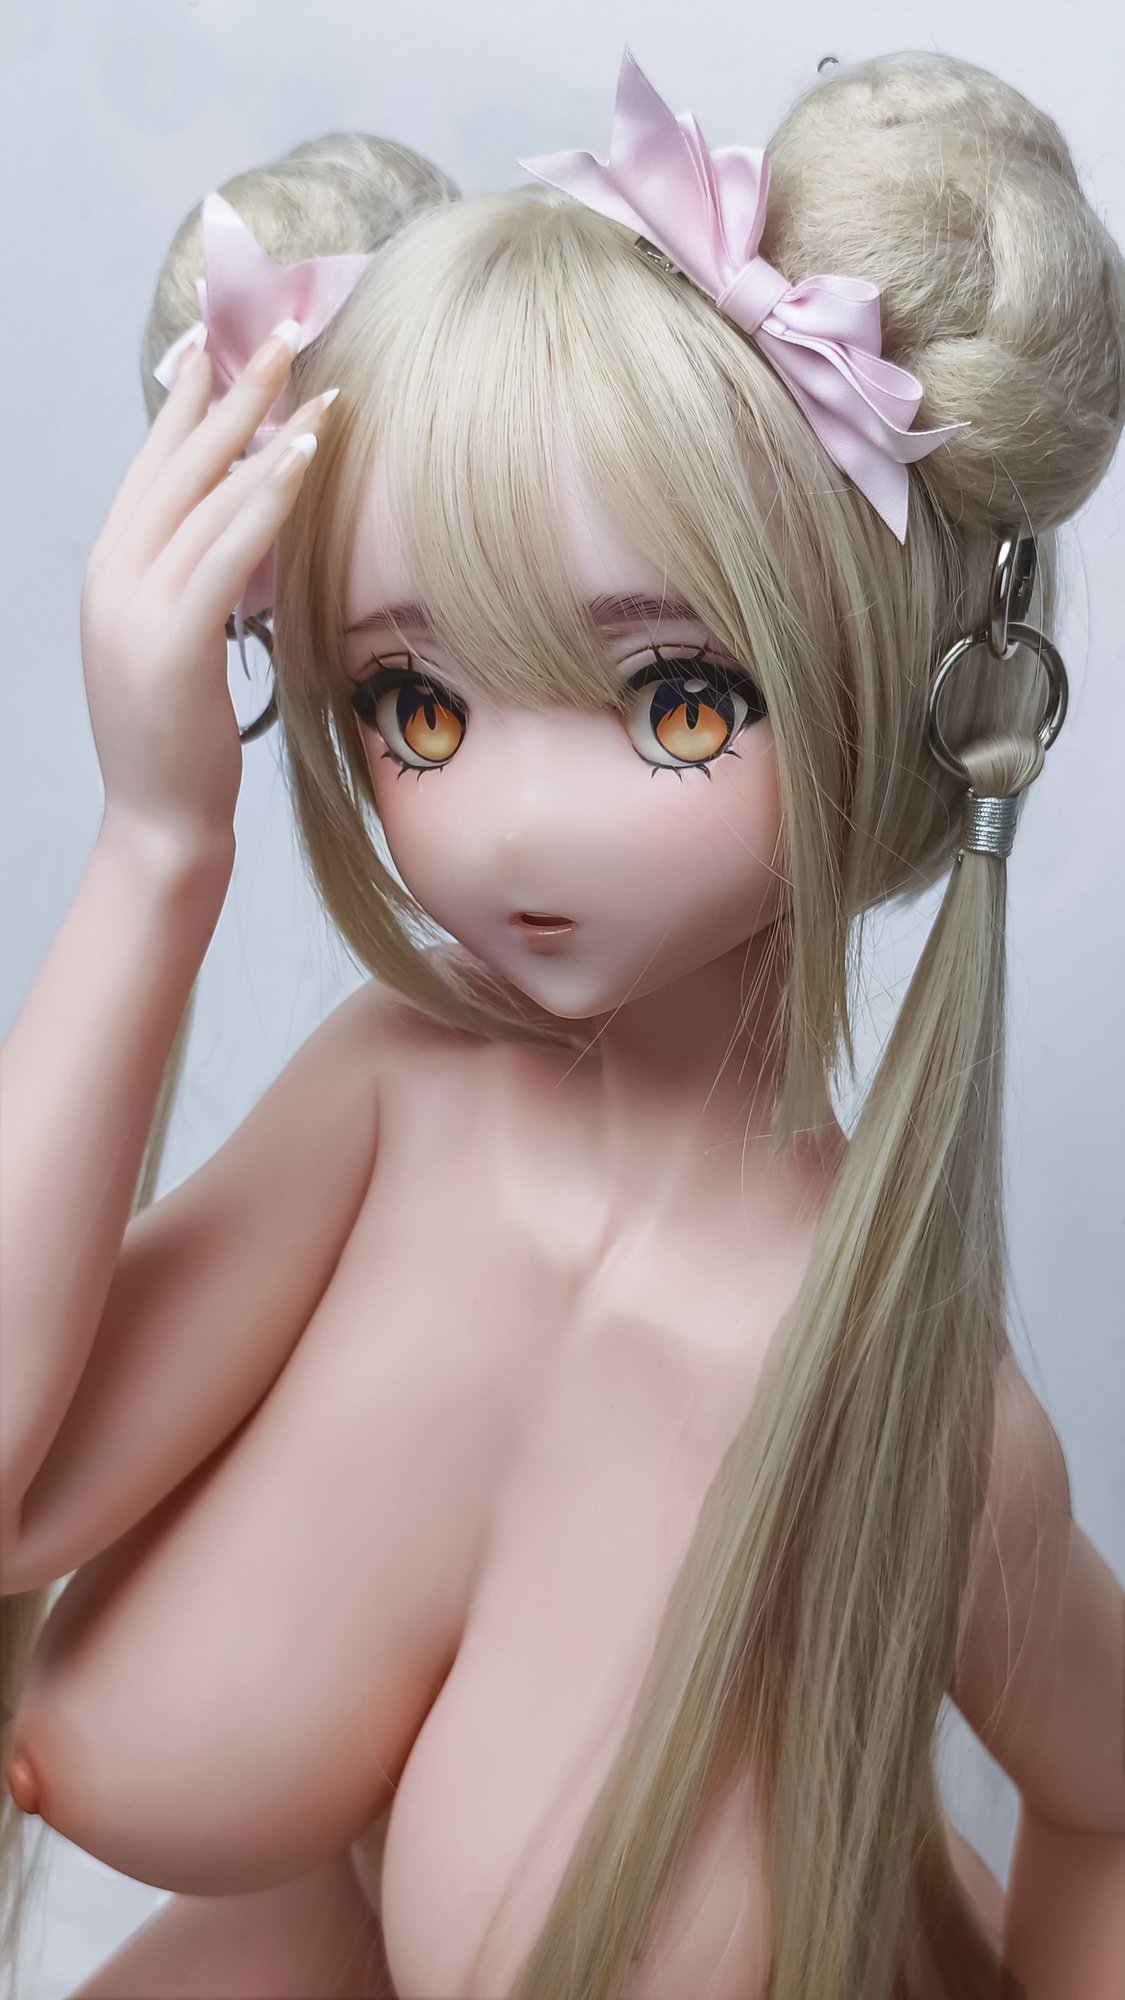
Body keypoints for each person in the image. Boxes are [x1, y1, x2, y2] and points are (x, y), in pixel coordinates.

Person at [2, 46, 1123, 2000]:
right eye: (414, 704)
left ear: (889, 685)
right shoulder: (391, 1101)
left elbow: (1107, 1796)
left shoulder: (899, 1411)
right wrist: (158, 847)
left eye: (677, 697)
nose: (509, 822)